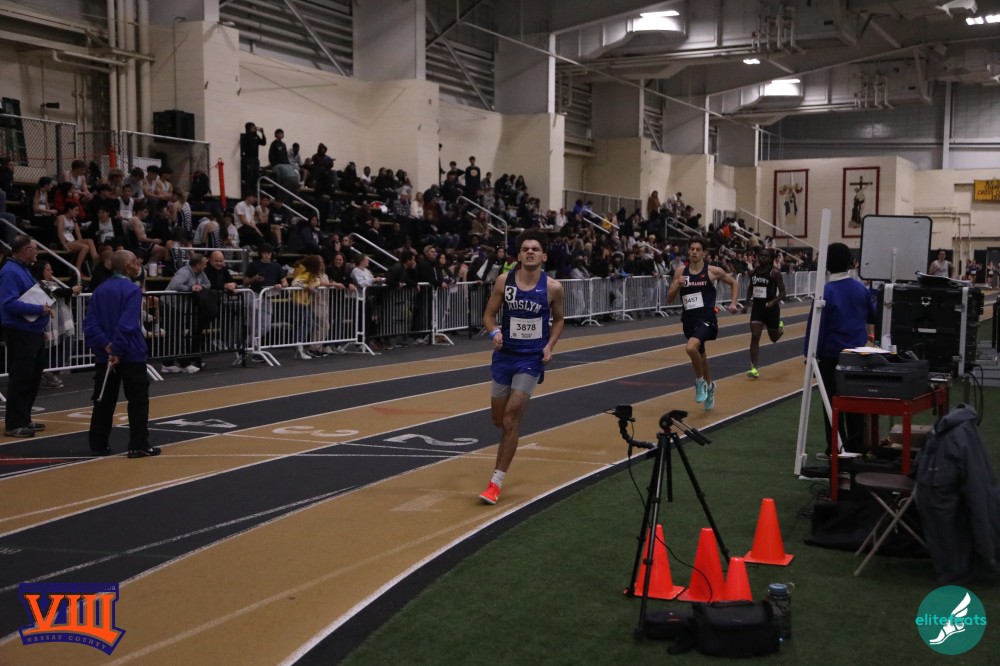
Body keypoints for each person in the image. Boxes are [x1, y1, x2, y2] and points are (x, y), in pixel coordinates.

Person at [479, 230, 565, 505]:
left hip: (531, 359)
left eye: (535, 249)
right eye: (525, 248)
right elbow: (489, 315)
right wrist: (494, 333)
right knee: (498, 419)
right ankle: (511, 433)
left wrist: (550, 345)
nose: (530, 252)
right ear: (518, 255)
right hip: (504, 357)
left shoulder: (553, 287)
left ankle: (495, 483)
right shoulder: (504, 282)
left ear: (544, 256)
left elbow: (559, 320)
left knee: (510, 419)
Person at [84, 250, 159, 457]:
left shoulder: (99, 290)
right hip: (130, 352)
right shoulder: (132, 290)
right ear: (127, 267)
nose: (138, 266)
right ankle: (138, 444)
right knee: (137, 401)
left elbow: (90, 322)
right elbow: (127, 323)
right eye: (135, 262)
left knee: (103, 400)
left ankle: (98, 444)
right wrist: (116, 348)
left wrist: (106, 344)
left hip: (105, 354)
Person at [805, 242, 876, 458]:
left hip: (831, 357)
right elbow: (873, 315)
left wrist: (809, 354)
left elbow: (816, 327)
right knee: (854, 402)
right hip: (858, 356)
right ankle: (856, 447)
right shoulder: (860, 289)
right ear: (851, 263)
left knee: (832, 404)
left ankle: (836, 448)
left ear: (826, 264)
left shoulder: (825, 292)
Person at [666, 236, 739, 411]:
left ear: (704, 253)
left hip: (707, 320)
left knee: (691, 348)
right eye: (692, 249)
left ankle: (700, 383)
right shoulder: (680, 272)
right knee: (702, 357)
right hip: (689, 321)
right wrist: (677, 285)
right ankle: (710, 386)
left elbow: (734, 283)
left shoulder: (713, 271)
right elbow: (669, 299)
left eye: (698, 249)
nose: (694, 252)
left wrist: (734, 303)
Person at [0, 236, 53, 437]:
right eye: (34, 249)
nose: (37, 253)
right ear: (25, 250)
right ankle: (14, 423)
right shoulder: (10, 271)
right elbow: (8, 303)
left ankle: (24, 418)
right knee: (21, 377)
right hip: (20, 331)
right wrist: (38, 309)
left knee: (32, 376)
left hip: (32, 331)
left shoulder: (23, 269)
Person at [746, 249, 786, 378]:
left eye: (765, 256)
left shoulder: (775, 273)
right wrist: (746, 303)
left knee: (774, 338)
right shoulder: (754, 272)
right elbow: (750, 287)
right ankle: (754, 368)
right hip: (757, 309)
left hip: (771, 310)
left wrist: (773, 302)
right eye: (760, 255)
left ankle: (780, 328)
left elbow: (783, 293)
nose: (762, 258)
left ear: (770, 258)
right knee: (755, 335)